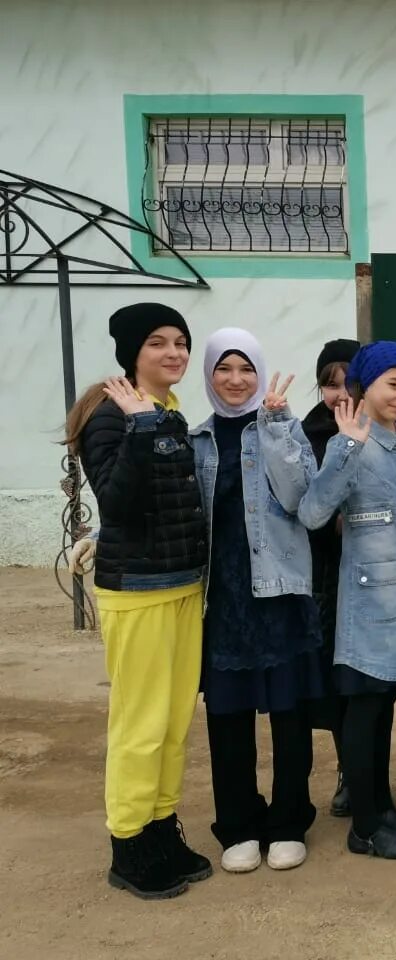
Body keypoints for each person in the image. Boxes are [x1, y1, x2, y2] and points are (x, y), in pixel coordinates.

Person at [64, 303, 210, 899]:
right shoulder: (110, 412)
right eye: (158, 343)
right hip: (138, 591)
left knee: (174, 722)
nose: (173, 353)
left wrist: (153, 421)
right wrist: (142, 426)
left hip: (182, 584)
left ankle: (159, 826)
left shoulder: (167, 409)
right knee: (140, 724)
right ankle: (128, 844)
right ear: (132, 352)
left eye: (180, 341)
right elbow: (117, 501)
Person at [298, 341, 396, 860]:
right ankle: (364, 825)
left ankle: (382, 807)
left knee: (382, 709)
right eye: (393, 386)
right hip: (365, 606)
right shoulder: (349, 441)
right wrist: (344, 449)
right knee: (362, 709)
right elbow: (314, 514)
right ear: (365, 386)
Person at [190, 329, 325, 874]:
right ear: (209, 374)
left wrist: (274, 428)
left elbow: (301, 498)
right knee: (228, 718)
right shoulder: (195, 439)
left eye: (246, 369)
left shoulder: (282, 427)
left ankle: (289, 820)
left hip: (280, 592)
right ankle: (239, 824)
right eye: (224, 368)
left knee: (289, 716)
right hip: (222, 600)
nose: (235, 380)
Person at [301, 338, 360, 817]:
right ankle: (346, 771)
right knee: (332, 681)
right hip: (325, 575)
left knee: (366, 686)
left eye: (348, 382)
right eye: (329, 383)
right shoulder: (306, 434)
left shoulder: (387, 429)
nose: (339, 393)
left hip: (373, 576)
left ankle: (363, 773)